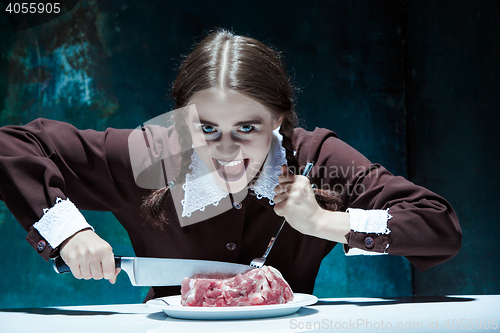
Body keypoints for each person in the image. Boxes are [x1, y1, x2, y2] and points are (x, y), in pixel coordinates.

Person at [0, 29, 461, 300]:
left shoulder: (317, 161)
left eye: (247, 128)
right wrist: (69, 231)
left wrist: (324, 220)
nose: (226, 149)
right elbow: (13, 145)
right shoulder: (153, 154)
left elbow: (438, 224)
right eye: (206, 129)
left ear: (278, 119)